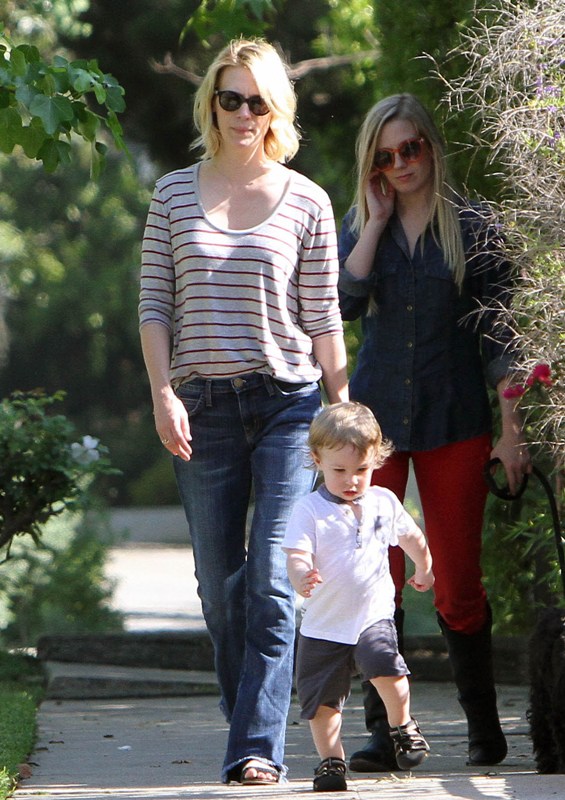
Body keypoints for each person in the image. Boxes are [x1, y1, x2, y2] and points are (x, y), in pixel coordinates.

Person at [138, 38, 348, 785]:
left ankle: (256, 746)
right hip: (201, 406)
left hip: (288, 405)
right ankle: (247, 718)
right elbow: (154, 306)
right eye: (230, 98)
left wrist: (343, 413)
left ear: (276, 111)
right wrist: (162, 393)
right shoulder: (171, 195)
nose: (243, 113)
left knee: (272, 581)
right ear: (211, 104)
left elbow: (323, 318)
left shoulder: (308, 201)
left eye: (257, 101)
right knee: (220, 592)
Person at [337, 93, 531, 772]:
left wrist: (511, 430)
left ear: (431, 146)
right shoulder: (361, 224)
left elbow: (501, 339)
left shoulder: (475, 227)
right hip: (376, 427)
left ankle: (484, 727)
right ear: (373, 164)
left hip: (455, 417)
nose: (401, 163)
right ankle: (386, 735)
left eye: (410, 148)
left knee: (457, 583)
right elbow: (344, 304)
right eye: (385, 155)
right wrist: (373, 222)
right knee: (374, 579)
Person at [282, 402, 434, 792]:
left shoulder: (383, 502)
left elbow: (411, 537)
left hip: (372, 616)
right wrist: (301, 576)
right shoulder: (309, 509)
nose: (351, 480)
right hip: (324, 625)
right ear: (317, 460)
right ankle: (331, 762)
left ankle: (403, 726)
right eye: (339, 471)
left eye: (361, 470)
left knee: (389, 669)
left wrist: (424, 566)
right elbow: (296, 554)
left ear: (376, 460)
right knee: (321, 702)